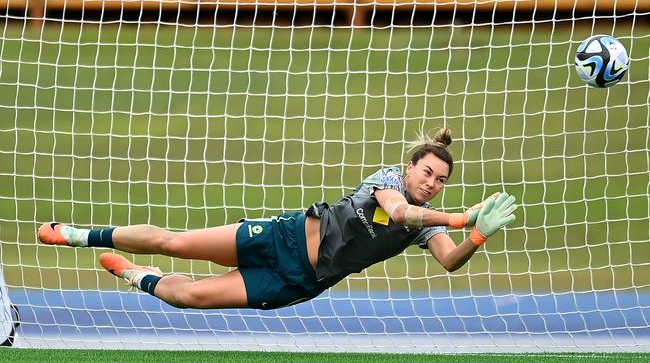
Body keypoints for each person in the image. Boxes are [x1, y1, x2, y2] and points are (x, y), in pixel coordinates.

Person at [37, 128, 517, 310]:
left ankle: (138, 275)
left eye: (440, 181)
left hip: (299, 281)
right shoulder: (388, 179)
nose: (431, 183)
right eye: (427, 172)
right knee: (176, 243)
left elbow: (451, 261)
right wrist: (457, 217)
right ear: (411, 166)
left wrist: (475, 234)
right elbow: (399, 211)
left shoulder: (429, 224)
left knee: (189, 297)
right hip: (283, 238)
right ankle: (79, 234)